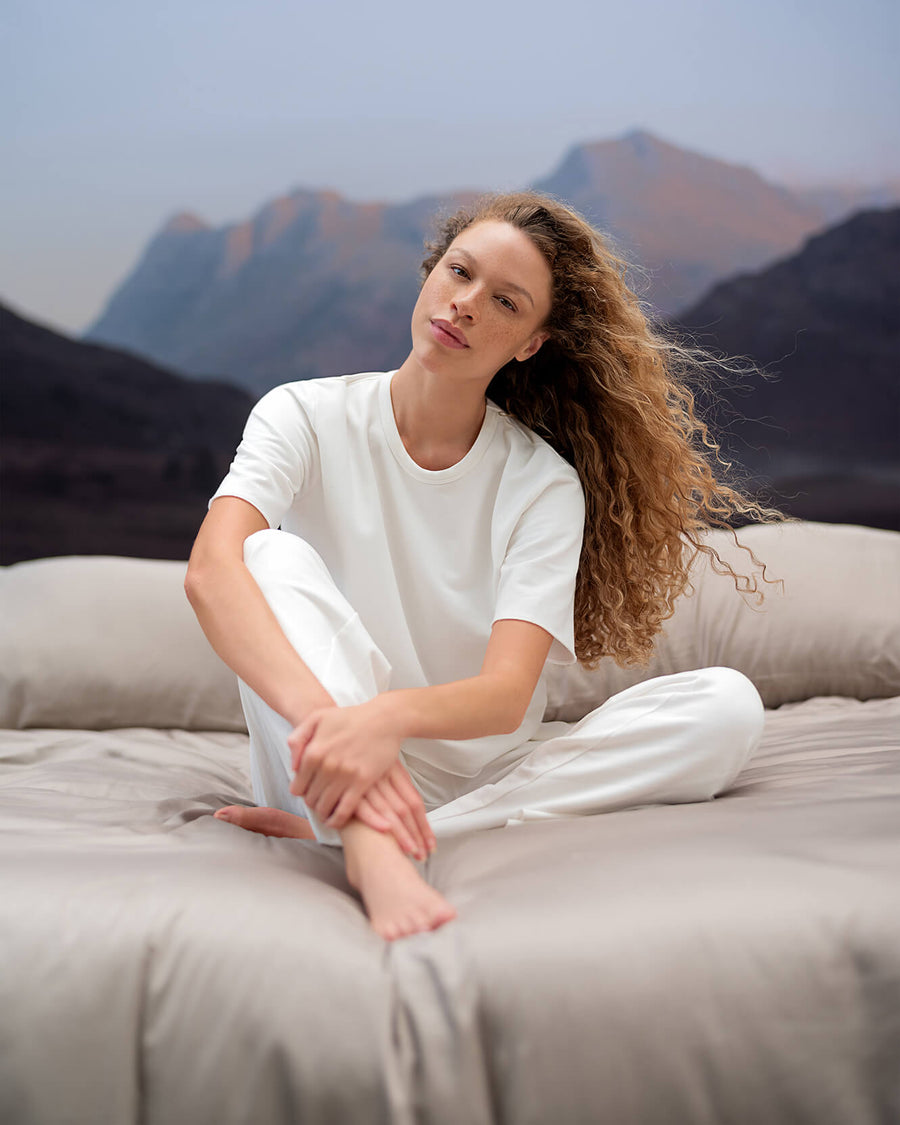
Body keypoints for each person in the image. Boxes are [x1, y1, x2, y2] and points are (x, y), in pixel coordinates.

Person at [185, 191, 777, 942]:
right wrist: (341, 733)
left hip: (482, 775)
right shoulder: (301, 415)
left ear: (531, 342)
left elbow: (504, 696)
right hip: (317, 757)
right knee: (262, 553)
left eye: (505, 302)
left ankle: (403, 830)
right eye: (460, 273)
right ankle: (367, 838)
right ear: (431, 272)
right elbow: (210, 573)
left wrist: (385, 719)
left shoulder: (542, 484)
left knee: (727, 706)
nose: (465, 304)